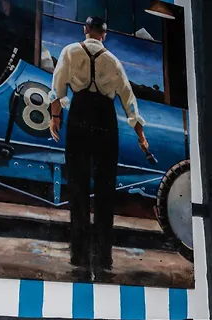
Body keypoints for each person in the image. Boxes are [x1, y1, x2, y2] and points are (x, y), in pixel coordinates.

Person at [49, 16, 149, 281]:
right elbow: (129, 100)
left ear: (85, 30)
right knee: (105, 191)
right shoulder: (113, 62)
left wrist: (55, 117)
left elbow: (57, 89)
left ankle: (79, 254)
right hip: (105, 122)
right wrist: (141, 136)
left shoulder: (70, 52)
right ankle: (104, 256)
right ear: (105, 34)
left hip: (79, 118)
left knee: (78, 187)